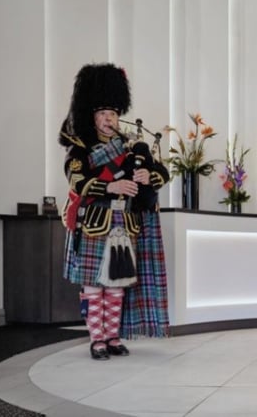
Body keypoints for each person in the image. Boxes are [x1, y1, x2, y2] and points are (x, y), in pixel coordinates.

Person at [58, 63, 170, 360]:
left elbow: (162, 173)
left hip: (125, 223)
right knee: (94, 286)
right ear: (91, 117)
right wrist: (111, 187)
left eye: (113, 114)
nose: (109, 119)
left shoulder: (132, 146)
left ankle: (113, 337)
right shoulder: (80, 148)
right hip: (95, 224)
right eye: (103, 114)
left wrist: (148, 176)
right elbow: (77, 182)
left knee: (117, 285)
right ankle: (97, 339)